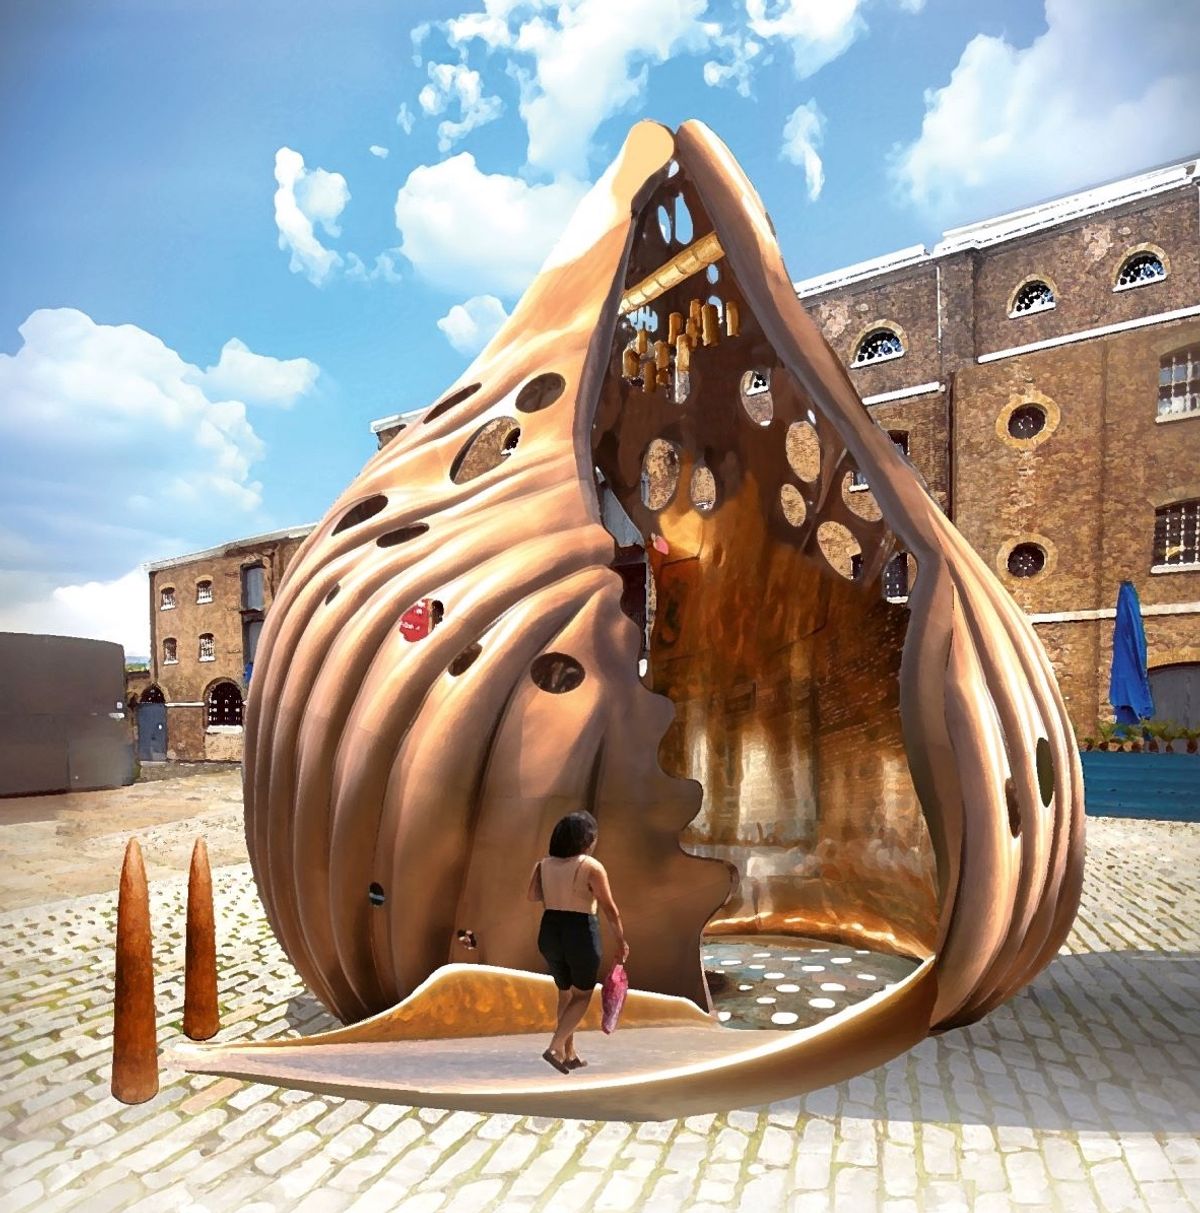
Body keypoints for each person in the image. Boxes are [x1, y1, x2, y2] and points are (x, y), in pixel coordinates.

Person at [527, 810, 629, 1074]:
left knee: (565, 993)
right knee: (583, 995)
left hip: (550, 930)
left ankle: (569, 1054)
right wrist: (621, 942)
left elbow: (532, 895)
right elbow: (610, 909)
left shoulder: (543, 864)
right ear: (587, 840)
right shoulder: (591, 867)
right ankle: (554, 1047)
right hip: (580, 930)